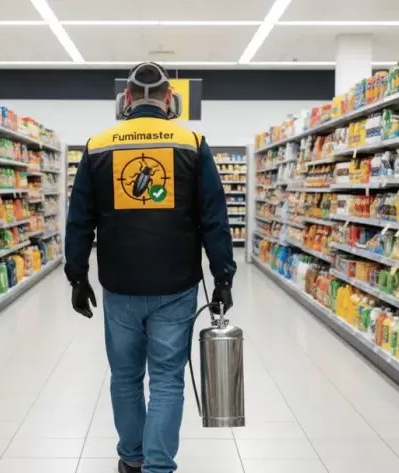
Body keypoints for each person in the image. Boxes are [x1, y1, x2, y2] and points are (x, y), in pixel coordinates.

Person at [64, 62, 236, 473]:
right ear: (170, 100)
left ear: (125, 101)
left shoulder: (99, 144)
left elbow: (79, 218)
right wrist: (223, 277)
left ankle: (131, 459)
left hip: (119, 285)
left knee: (124, 378)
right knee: (165, 380)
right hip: (176, 285)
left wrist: (77, 275)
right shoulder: (192, 142)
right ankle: (159, 467)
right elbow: (214, 217)